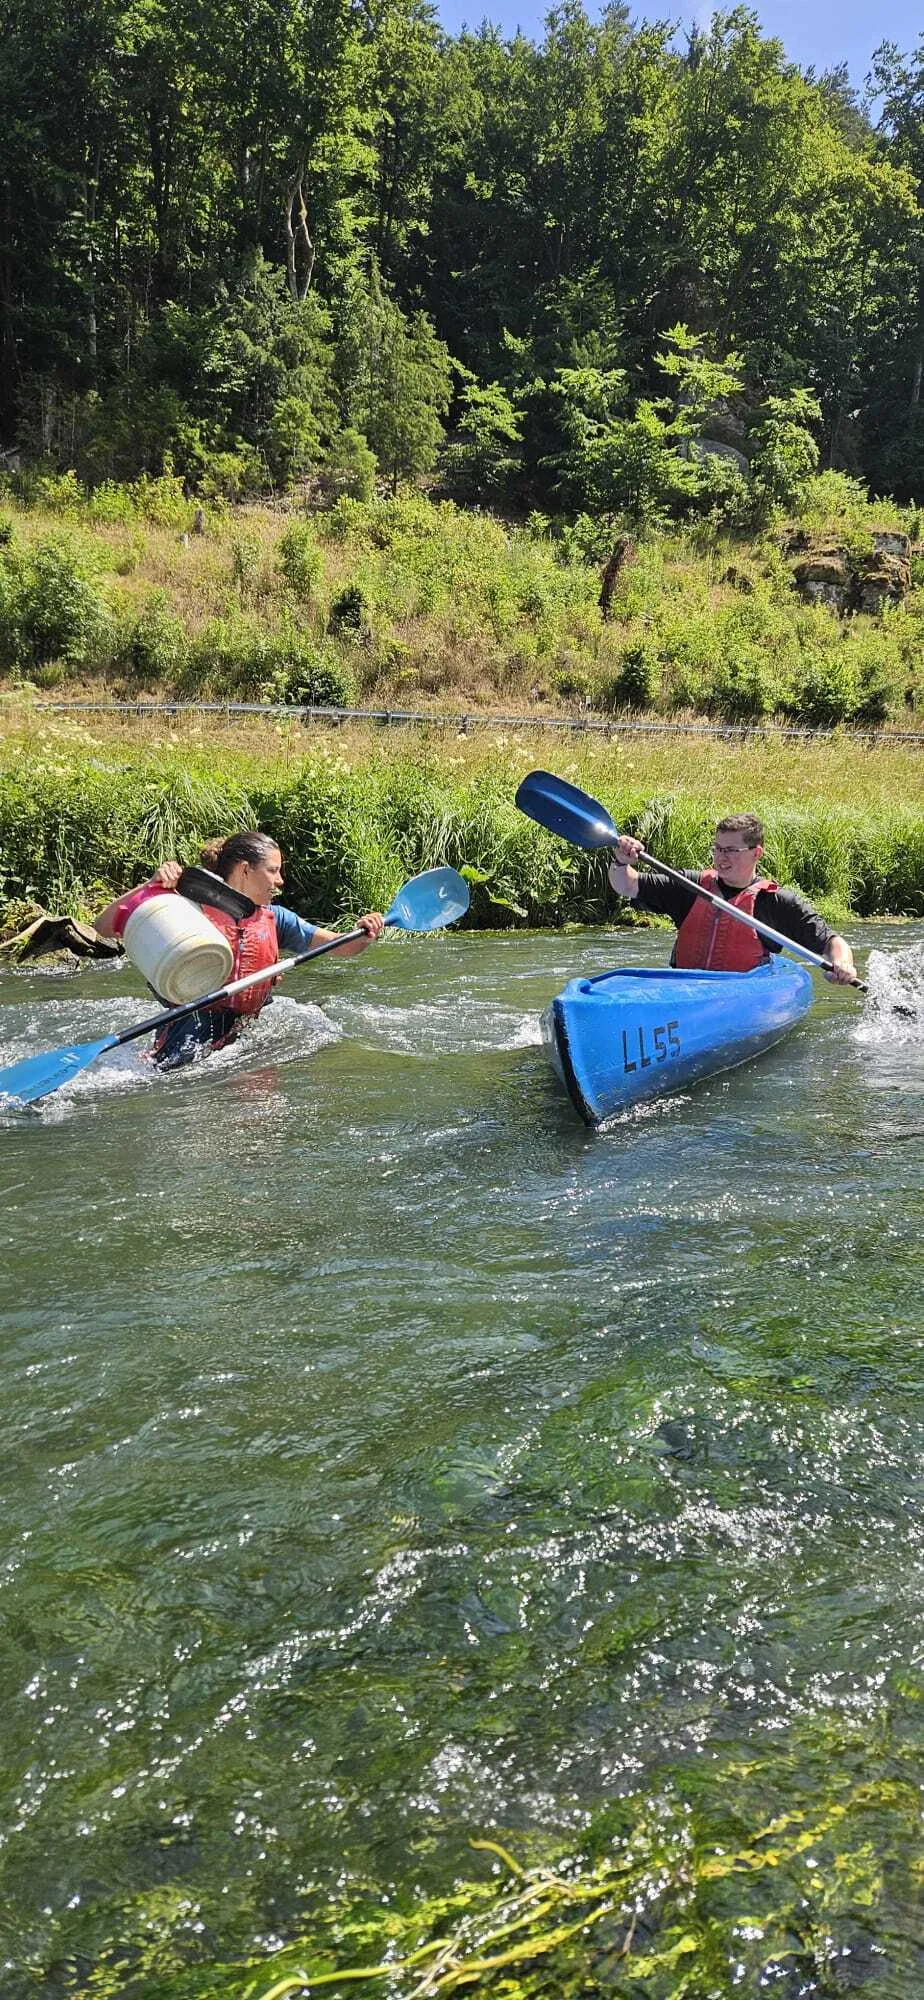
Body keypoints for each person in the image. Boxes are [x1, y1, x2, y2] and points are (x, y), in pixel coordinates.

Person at [94, 829, 385, 1068]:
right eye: (273, 871)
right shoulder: (186, 905)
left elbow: (339, 947)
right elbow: (104, 928)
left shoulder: (277, 918)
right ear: (246, 870)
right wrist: (151, 887)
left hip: (246, 1030)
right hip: (188, 1029)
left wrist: (364, 933)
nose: (280, 880)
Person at [607, 812, 858, 984]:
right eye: (717, 848)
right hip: (684, 991)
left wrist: (843, 964)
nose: (720, 857)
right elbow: (627, 885)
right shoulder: (690, 886)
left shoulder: (777, 903)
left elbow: (832, 943)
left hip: (738, 999)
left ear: (756, 853)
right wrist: (621, 860)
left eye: (730, 850)